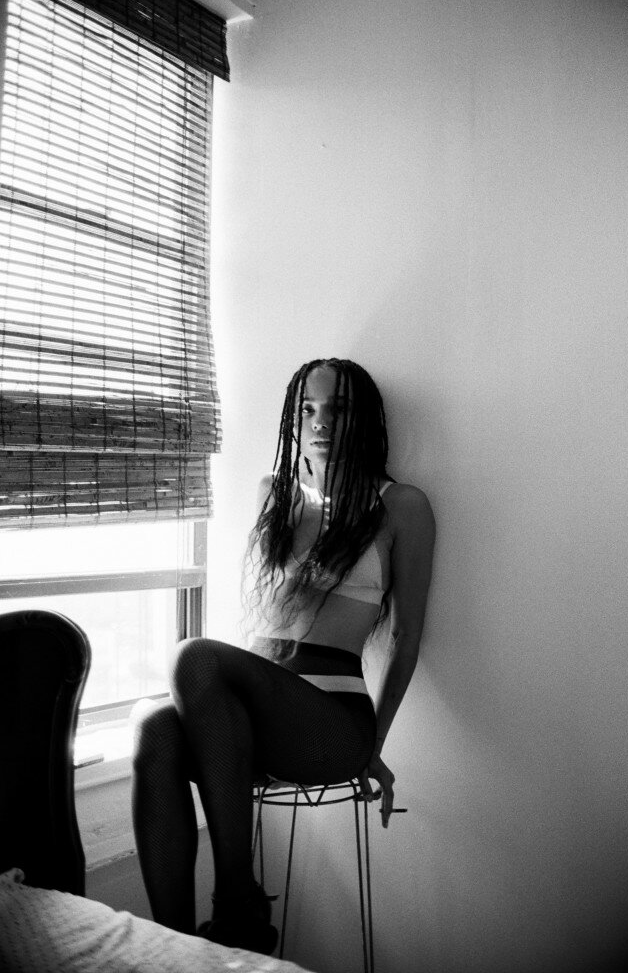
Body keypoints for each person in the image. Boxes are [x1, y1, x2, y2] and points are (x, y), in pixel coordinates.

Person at [131, 358, 435, 954]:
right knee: (153, 727)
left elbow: (404, 636)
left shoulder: (402, 505)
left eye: (337, 410)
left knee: (193, 656)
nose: (320, 422)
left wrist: (374, 747)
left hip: (329, 721)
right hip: (255, 716)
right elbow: (269, 611)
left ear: (366, 421)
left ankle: (237, 898)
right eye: (307, 410)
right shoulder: (275, 494)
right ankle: (175, 952)